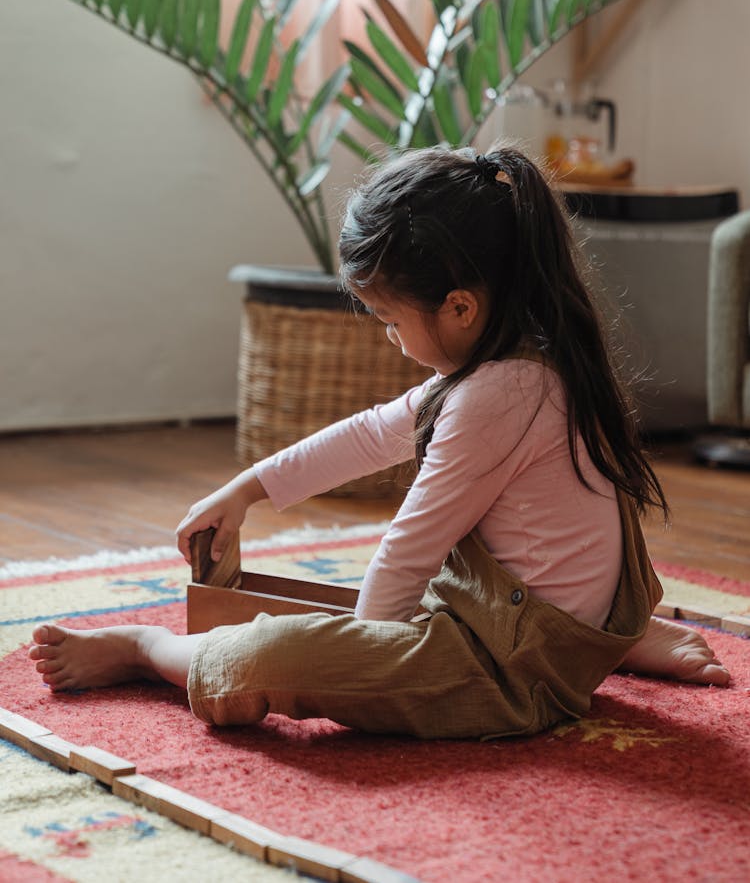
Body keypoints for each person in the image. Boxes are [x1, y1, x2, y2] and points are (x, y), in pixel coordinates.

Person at [29, 147, 729, 738]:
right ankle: (612, 641)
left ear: (460, 306)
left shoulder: (496, 395)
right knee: (339, 604)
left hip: (519, 669)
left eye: (391, 320)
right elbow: (368, 436)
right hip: (537, 620)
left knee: (270, 654)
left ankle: (149, 650)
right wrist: (247, 489)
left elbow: (408, 550)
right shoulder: (516, 363)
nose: (390, 339)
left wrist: (359, 649)